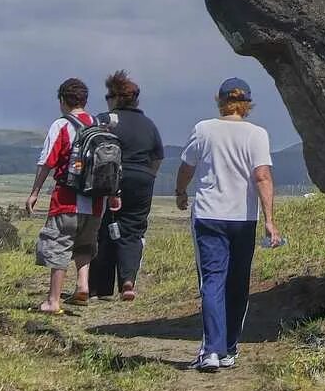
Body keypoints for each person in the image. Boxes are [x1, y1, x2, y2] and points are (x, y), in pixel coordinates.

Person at [175, 77, 279, 373]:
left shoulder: (203, 129)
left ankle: (211, 349)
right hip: (244, 218)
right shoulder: (257, 135)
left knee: (212, 281)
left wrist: (181, 191)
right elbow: (262, 176)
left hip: (209, 214)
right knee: (237, 283)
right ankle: (229, 348)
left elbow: (187, 167)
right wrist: (270, 220)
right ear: (247, 104)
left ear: (220, 101)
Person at [24, 77, 114, 312]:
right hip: (96, 201)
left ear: (62, 100)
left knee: (59, 245)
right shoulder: (99, 124)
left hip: (67, 198)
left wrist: (34, 193)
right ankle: (82, 286)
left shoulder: (62, 125)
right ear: (84, 100)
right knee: (85, 245)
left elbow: (47, 161)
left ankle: (53, 300)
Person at [89, 70, 163, 301]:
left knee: (102, 229)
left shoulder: (104, 120)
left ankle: (100, 287)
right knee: (133, 229)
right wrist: (147, 175)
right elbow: (158, 156)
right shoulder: (148, 125)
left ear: (116, 98)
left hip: (110, 180)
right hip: (142, 179)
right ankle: (128, 280)